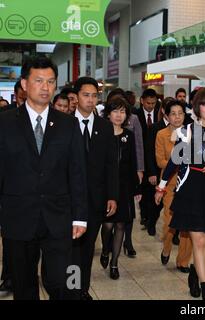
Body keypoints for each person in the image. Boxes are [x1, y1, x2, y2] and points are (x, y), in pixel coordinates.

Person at [0, 56, 88, 300]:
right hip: (18, 217)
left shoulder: (68, 124)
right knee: (23, 285)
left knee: (63, 282)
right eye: (39, 81)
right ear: (24, 84)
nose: (45, 87)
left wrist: (80, 216)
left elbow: (78, 171)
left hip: (59, 216)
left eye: (50, 81)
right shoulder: (4, 123)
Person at [155, 87, 205, 300]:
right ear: (197, 107)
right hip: (191, 188)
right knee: (198, 241)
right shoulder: (187, 131)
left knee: (204, 240)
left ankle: (194, 275)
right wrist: (161, 186)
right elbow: (174, 161)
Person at [72, 77, 119, 300]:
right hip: (68, 199)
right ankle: (71, 289)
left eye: (94, 96)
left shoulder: (104, 126)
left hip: (96, 198)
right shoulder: (63, 123)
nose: (90, 100)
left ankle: (82, 289)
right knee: (71, 248)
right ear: (76, 96)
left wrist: (112, 195)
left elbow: (111, 164)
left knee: (87, 246)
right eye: (86, 95)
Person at [100, 96, 141, 280]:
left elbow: (132, 164)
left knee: (121, 224)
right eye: (115, 111)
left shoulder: (129, 136)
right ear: (108, 113)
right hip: (106, 187)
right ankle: (105, 250)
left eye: (122, 111)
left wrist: (137, 189)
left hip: (124, 187)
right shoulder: (101, 134)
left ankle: (114, 264)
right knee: (107, 224)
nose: (118, 115)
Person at [156, 99, 193, 273]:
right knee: (170, 223)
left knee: (187, 226)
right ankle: (167, 247)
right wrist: (181, 163)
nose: (177, 117)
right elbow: (161, 161)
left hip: (189, 184)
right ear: (167, 116)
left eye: (180, 113)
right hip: (170, 184)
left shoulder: (191, 133)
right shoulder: (162, 134)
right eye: (173, 114)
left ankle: (183, 261)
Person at [133, 89, 162, 235]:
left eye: (153, 103)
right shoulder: (135, 115)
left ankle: (150, 217)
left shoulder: (160, 114)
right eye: (148, 103)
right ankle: (145, 215)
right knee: (143, 190)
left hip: (155, 158)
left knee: (152, 191)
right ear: (142, 101)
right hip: (139, 158)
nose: (151, 106)